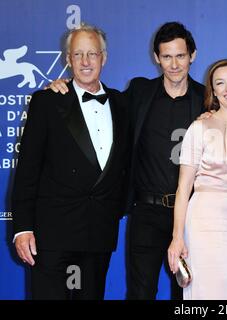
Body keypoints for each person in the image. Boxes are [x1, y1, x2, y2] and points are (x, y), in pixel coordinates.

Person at [48, 22, 205, 300]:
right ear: (156, 58)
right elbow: (93, 95)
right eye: (166, 56)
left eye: (180, 56)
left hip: (191, 215)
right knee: (140, 293)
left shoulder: (206, 99)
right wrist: (64, 87)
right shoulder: (138, 93)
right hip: (146, 213)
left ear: (192, 55)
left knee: (188, 294)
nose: (174, 64)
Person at [12, 23, 130, 300]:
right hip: (53, 234)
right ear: (68, 60)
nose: (86, 62)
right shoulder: (46, 101)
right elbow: (27, 169)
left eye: (92, 53)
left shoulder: (123, 104)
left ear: (104, 57)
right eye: (78, 55)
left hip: (98, 233)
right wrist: (23, 228)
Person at [167, 59, 227, 300]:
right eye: (220, 83)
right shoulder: (199, 128)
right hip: (204, 222)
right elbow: (183, 188)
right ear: (214, 92)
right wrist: (177, 237)